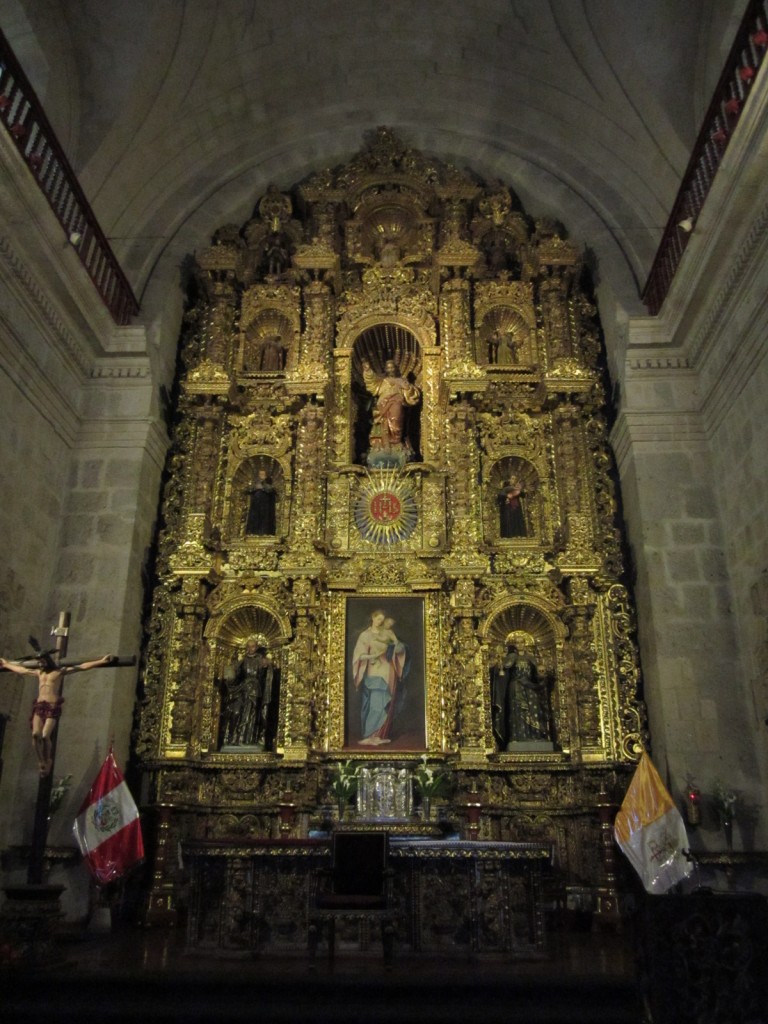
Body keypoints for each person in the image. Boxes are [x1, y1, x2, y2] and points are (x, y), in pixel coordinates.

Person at [0, 651, 115, 775]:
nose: (40, 664)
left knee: (44, 736)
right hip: (39, 705)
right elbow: (22, 670)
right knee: (35, 735)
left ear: (48, 660)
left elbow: (81, 667)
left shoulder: (59, 672)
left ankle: (48, 760)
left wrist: (101, 661)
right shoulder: (39, 672)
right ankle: (41, 761)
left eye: (42, 661)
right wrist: (6, 664)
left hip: (52, 706)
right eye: (39, 662)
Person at [351, 610, 408, 746]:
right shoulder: (365, 635)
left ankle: (380, 735)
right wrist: (372, 656)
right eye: (378, 620)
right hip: (374, 672)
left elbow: (397, 649)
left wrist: (399, 648)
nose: (381, 623)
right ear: (372, 618)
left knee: (387, 705)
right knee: (376, 704)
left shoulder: (387, 633)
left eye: (382, 621)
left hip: (389, 672)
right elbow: (359, 656)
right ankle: (369, 736)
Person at [491, 641, 552, 751]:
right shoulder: (512, 657)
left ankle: (535, 735)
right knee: (517, 710)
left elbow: (538, 673)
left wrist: (542, 674)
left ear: (525, 644)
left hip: (529, 686)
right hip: (516, 686)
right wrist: (500, 661)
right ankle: (518, 736)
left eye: (522, 642)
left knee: (534, 709)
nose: (520, 645)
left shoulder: (531, 657)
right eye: (518, 643)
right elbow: (505, 666)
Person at [220, 639, 275, 750]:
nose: (250, 649)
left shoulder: (260, 659)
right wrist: (230, 672)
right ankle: (236, 738)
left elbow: (268, 670)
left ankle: (248, 739)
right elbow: (234, 675)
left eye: (253, 646)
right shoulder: (243, 660)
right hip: (243, 689)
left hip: (254, 689)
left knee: (251, 713)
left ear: (256, 647)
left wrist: (268, 663)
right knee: (237, 711)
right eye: (248, 647)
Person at [361, 359, 420, 456]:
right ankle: (385, 444)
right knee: (383, 423)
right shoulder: (382, 381)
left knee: (396, 421)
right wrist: (368, 370)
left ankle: (396, 442)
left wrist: (407, 388)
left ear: (395, 368)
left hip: (397, 403)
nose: (390, 369)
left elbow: (412, 395)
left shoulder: (401, 381)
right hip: (383, 404)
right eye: (388, 367)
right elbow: (371, 381)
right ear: (386, 369)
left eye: (392, 367)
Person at [245, 469, 277, 535]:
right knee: (254, 519)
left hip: (265, 506)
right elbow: (248, 490)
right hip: (255, 506)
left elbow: (271, 490)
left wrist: (263, 487)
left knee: (264, 520)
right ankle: (253, 532)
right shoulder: (255, 483)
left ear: (266, 475)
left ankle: (264, 532)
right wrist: (256, 488)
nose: (261, 476)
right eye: (260, 474)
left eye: (263, 474)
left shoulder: (269, 483)